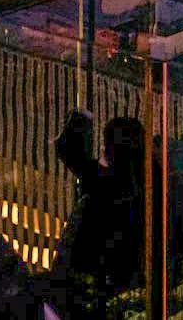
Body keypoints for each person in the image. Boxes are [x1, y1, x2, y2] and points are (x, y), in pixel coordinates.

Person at [54, 111, 147, 317]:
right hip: (123, 276)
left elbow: (66, 149)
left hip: (88, 275)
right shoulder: (144, 183)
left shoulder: (100, 181)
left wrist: (82, 116)